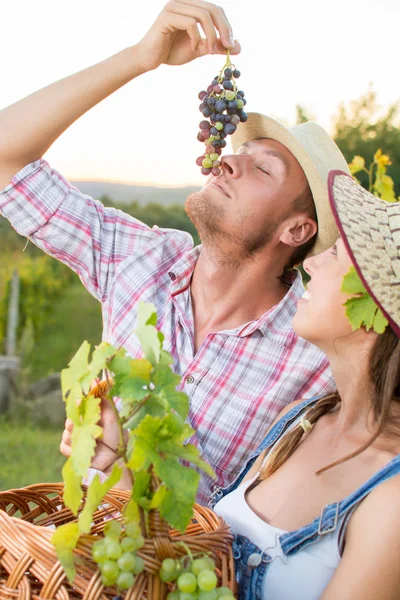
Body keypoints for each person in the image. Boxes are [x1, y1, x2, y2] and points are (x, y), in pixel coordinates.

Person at [0, 1, 349, 503]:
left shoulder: (316, 360)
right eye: (238, 152)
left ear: (297, 230)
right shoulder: (141, 260)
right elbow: (8, 160)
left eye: (262, 169)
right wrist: (139, 58)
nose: (228, 161)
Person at [212, 171, 400, 599]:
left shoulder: (393, 500)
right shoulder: (299, 421)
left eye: (334, 254)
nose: (310, 262)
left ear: (374, 304)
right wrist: (117, 465)